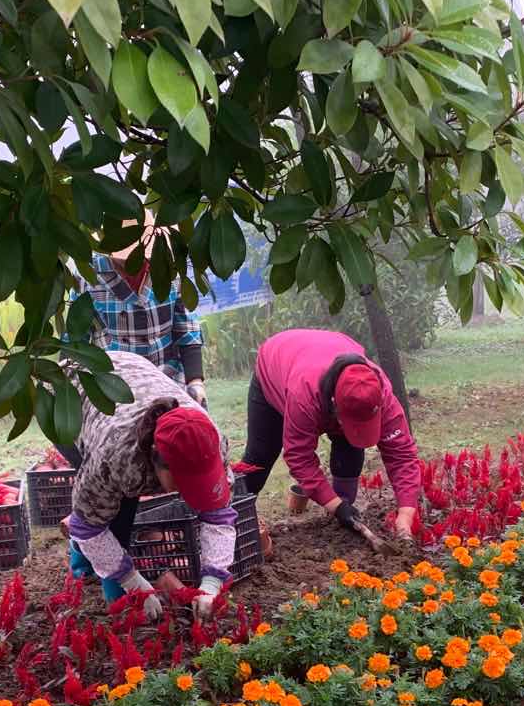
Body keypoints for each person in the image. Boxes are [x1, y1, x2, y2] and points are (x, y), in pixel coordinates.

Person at [62, 350, 235, 621]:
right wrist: (131, 581)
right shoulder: (116, 457)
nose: (187, 493)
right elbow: (87, 524)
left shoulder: (210, 440)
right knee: (110, 514)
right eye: (183, 482)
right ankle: (83, 567)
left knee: (114, 505)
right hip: (71, 394)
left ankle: (98, 563)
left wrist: (212, 582)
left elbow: (218, 514)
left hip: (135, 370)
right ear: (156, 460)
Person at [240, 328, 420, 540]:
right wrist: (336, 506)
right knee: (261, 455)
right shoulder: (304, 396)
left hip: (322, 359)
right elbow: (299, 457)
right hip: (277, 365)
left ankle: (341, 513)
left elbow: (402, 455)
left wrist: (406, 513)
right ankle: (233, 520)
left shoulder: (379, 393)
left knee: (351, 445)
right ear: (334, 407)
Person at [84, 214, 209, 408]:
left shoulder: (169, 268)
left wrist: (195, 382)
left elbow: (187, 329)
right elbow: (76, 340)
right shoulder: (88, 276)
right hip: (116, 381)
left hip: (167, 376)